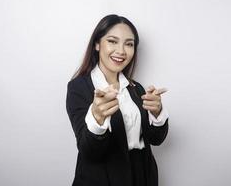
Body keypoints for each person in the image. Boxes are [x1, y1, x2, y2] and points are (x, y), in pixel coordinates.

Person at [65, 14, 169, 186]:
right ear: (97, 44)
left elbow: (156, 140)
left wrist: (157, 113)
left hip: (142, 176)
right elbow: (89, 152)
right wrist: (97, 118)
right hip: (102, 179)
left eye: (129, 44)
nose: (121, 51)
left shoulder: (137, 88)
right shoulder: (79, 88)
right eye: (112, 41)